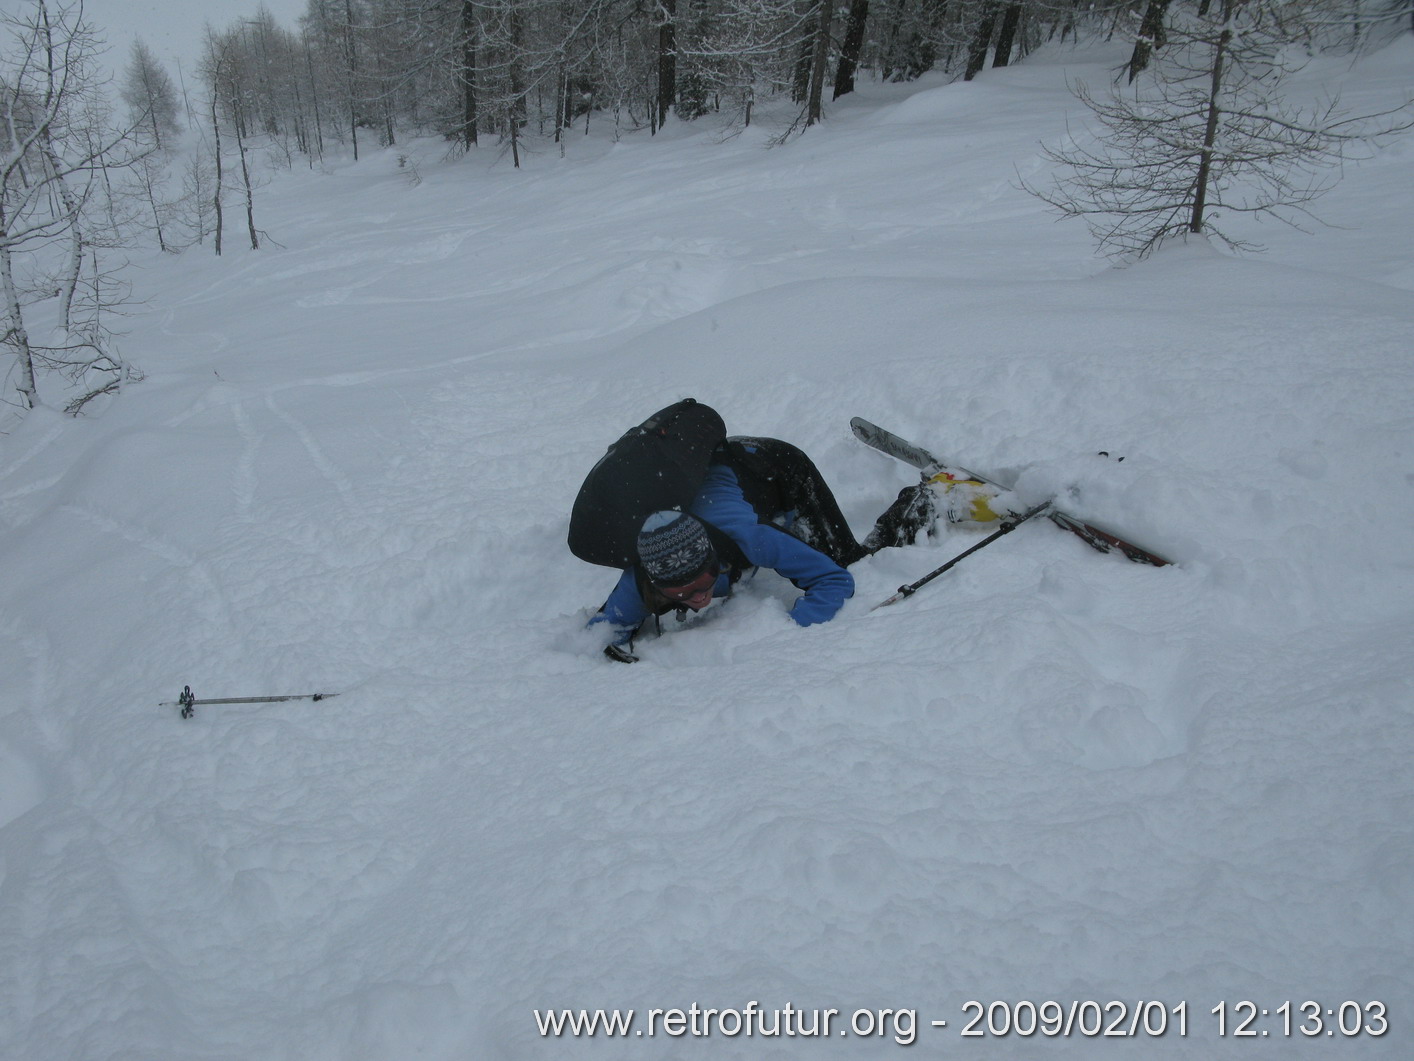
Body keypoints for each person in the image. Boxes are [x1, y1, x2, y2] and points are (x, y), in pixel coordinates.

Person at [590, 436, 959, 662]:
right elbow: (605, 629)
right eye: (680, 594)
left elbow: (833, 581)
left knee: (853, 563)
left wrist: (791, 633)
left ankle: (924, 501)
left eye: (703, 584)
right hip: (709, 472)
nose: (698, 598)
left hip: (772, 465)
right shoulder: (646, 574)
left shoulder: (752, 538)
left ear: (711, 559)